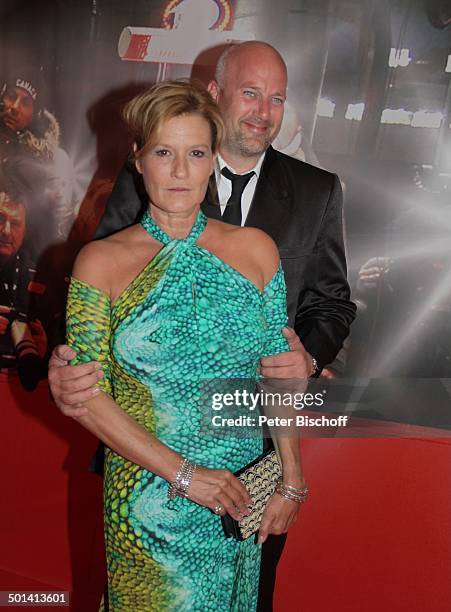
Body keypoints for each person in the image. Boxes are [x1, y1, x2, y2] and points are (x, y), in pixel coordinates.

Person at [49, 41, 356, 610]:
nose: (180, 170)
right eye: (164, 153)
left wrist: (292, 472)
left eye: (194, 155)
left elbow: (294, 347)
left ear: (209, 155)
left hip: (247, 482)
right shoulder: (106, 256)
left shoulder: (270, 236)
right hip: (148, 492)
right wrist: (62, 364)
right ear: (140, 158)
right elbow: (86, 355)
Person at [0, 70, 77, 253]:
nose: (15, 107)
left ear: (36, 113)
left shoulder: (52, 160)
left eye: (26, 102)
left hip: (24, 257)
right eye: (11, 96)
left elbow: (58, 222)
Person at [0, 176, 48, 389]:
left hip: (21, 391)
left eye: (16, 223)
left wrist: (44, 349)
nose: (6, 231)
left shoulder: (39, 273)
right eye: (0, 219)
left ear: (26, 230)